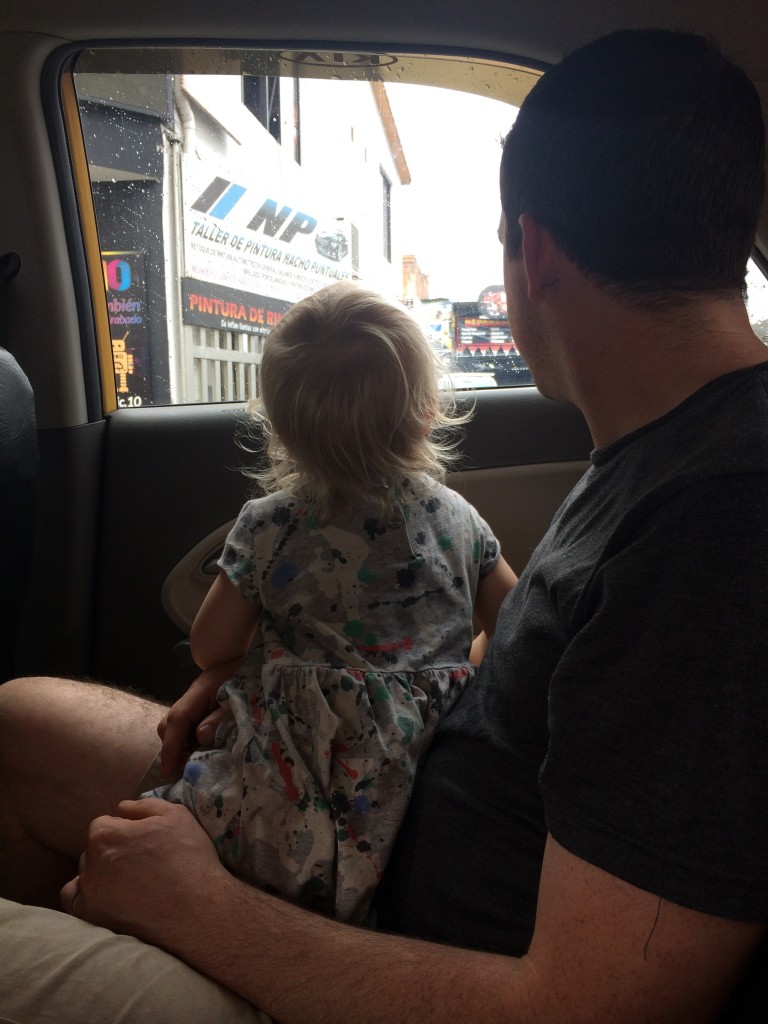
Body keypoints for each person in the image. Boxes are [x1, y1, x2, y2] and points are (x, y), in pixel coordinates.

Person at [1, 26, 768, 1024]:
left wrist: (198, 905)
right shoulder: (665, 450)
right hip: (379, 806)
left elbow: (589, 1006)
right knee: (17, 722)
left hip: (379, 931)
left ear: (533, 251)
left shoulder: (719, 521)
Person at [142, 281, 515, 924]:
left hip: (292, 781)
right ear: (426, 410)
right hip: (425, 777)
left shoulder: (270, 524)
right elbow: (511, 628)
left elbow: (210, 647)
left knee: (160, 818)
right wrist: (448, 668)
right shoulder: (458, 519)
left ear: (280, 427)